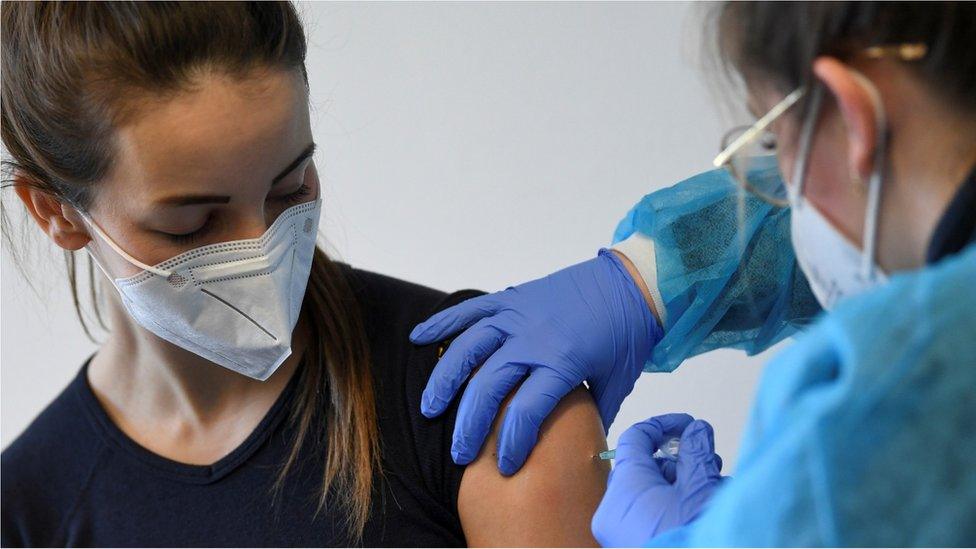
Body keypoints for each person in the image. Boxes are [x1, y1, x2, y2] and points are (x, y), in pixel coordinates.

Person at [0, 2, 610, 547]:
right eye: (193, 224)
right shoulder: (30, 510)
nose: (260, 249)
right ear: (55, 211)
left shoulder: (480, 385)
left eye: (290, 190)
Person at [411, 2, 976, 545]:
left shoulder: (893, 387)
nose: (778, 189)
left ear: (853, 115)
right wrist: (649, 278)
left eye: (774, 142)